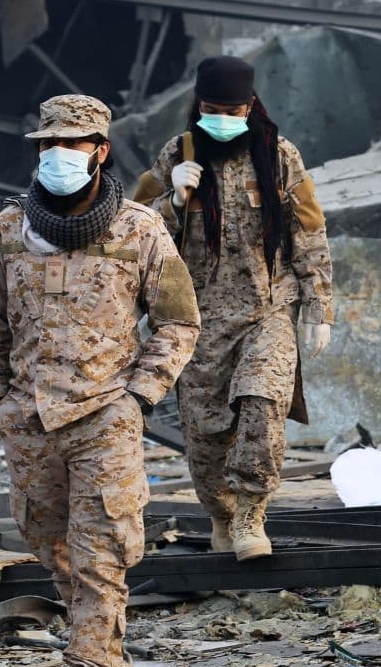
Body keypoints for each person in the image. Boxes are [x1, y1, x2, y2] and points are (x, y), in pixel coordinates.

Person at [0, 94, 200, 667]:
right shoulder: (9, 230)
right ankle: (109, 651)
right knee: (49, 542)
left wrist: (141, 397)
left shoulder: (140, 229)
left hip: (106, 415)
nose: (58, 156)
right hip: (30, 418)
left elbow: (179, 321)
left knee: (103, 551)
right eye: (47, 145)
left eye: (72, 144)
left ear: (100, 150)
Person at [132, 55, 333, 561]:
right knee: (205, 434)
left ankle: (251, 513)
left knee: (263, 402)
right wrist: (173, 201)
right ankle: (221, 514)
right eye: (211, 107)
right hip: (196, 318)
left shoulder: (281, 156)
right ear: (198, 105)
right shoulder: (174, 155)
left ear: (250, 106)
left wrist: (318, 306)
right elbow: (133, 230)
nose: (221, 117)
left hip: (268, 309)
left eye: (232, 108)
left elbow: (308, 230)